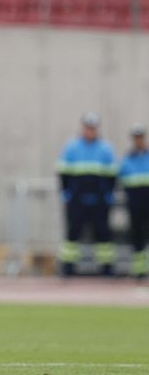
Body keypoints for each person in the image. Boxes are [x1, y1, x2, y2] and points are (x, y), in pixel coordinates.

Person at [57, 112, 117, 277]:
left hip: (99, 200)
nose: (90, 131)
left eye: (92, 128)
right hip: (77, 200)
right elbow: (63, 174)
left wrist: (107, 196)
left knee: (103, 233)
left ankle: (106, 267)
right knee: (73, 233)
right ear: (83, 128)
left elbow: (112, 176)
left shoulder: (105, 149)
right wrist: (66, 194)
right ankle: (68, 266)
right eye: (87, 128)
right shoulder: (72, 148)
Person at [118, 123, 149, 279]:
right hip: (135, 204)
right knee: (137, 236)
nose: (138, 141)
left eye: (140, 138)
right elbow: (121, 180)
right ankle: (140, 270)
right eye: (136, 138)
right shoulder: (128, 159)